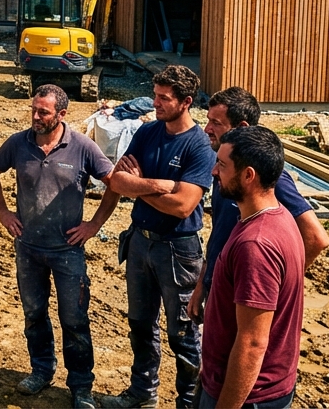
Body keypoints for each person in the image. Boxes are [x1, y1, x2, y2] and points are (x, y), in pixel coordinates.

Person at [0, 84, 119, 409]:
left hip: (67, 252)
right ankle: (41, 371)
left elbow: (114, 184)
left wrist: (94, 225)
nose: (35, 116)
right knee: (34, 314)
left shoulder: (83, 147)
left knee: (74, 320)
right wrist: (3, 212)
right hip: (28, 249)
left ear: (61, 114)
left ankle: (81, 387)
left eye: (43, 112)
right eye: (33, 109)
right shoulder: (18, 143)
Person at [99, 65, 215, 409]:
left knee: (183, 334)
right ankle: (142, 394)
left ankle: (189, 402)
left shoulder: (199, 146)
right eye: (156, 95)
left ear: (186, 102)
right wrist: (158, 186)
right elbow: (116, 181)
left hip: (178, 250)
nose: (156, 103)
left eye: (165, 98)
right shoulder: (148, 133)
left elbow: (182, 206)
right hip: (140, 242)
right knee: (139, 323)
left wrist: (139, 187)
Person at [190, 88, 329, 322]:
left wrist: (273, 288)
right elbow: (220, 234)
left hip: (243, 301)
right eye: (208, 121)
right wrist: (203, 283)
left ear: (242, 128)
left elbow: (316, 238)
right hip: (219, 288)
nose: (207, 130)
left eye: (216, 123)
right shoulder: (225, 173)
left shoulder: (265, 179)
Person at [198, 125, 304, 409]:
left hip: (248, 397)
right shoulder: (275, 219)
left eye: (222, 165)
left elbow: (252, 344)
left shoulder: (255, 244)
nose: (214, 172)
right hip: (249, 387)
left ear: (248, 175)